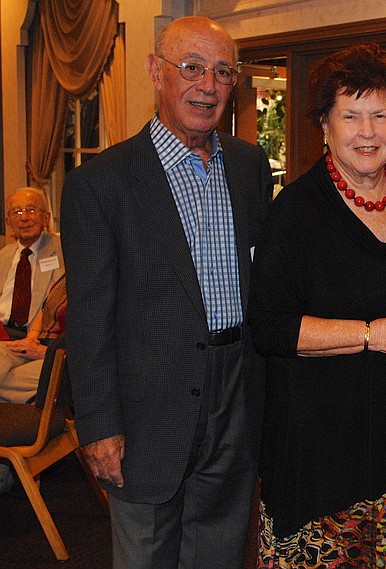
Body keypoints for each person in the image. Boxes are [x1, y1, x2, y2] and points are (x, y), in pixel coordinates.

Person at [61, 16, 272, 569]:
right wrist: (100, 425)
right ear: (156, 72)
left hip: (236, 400)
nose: (208, 85)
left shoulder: (250, 168)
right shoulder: (101, 183)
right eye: (192, 67)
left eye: (223, 72)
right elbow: (87, 317)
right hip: (145, 413)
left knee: (221, 551)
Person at [248, 44, 386, 568]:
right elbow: (270, 327)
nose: (367, 132)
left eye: (380, 115)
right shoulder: (293, 212)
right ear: (324, 125)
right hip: (317, 458)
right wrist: (371, 333)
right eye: (351, 116)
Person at [0, 187, 64, 340]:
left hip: (37, 335)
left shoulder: (63, 250)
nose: (24, 218)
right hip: (3, 332)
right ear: (8, 222)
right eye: (17, 212)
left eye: (31, 210)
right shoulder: (4, 255)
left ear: (46, 218)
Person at [0, 273, 66, 403]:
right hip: (38, 343)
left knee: (7, 379)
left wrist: (44, 352)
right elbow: (44, 310)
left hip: (61, 356)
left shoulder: (101, 290)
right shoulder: (68, 277)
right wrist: (31, 338)